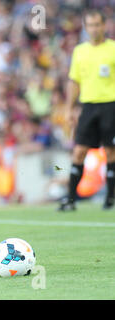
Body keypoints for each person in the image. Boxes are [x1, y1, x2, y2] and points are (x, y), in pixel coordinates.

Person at [58, 9, 115, 211]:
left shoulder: (113, 48)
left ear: (104, 25)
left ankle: (110, 198)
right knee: (79, 150)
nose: (94, 29)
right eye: (90, 25)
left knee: (111, 152)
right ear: (85, 27)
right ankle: (71, 199)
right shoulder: (80, 51)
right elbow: (74, 81)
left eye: (97, 24)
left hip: (111, 104)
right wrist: (69, 108)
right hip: (88, 106)